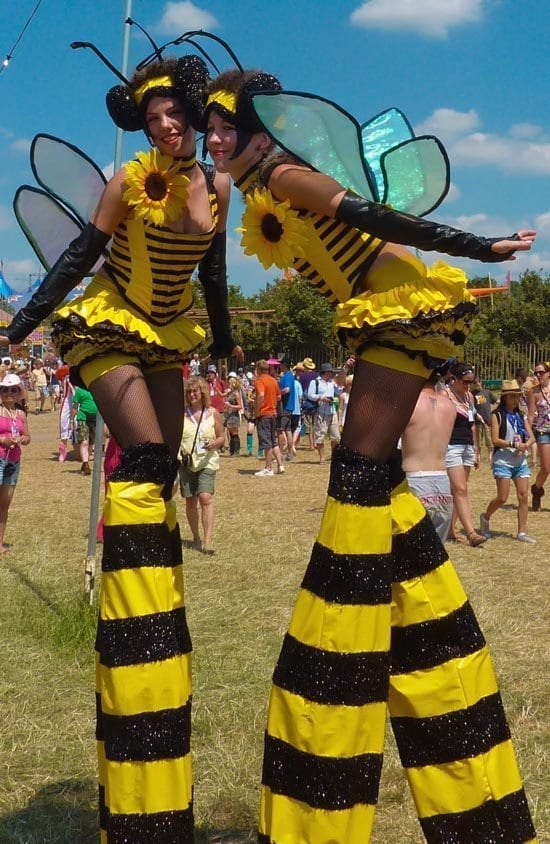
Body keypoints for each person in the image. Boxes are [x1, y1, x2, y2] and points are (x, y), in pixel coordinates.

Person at [205, 68, 536, 842]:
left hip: (394, 306)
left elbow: (379, 216)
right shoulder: (255, 188)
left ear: (262, 133)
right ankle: (421, 633)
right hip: (378, 316)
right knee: (374, 483)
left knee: (357, 477)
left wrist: (481, 247)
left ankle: (351, 646)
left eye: (224, 126)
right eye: (207, 126)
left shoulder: (286, 173)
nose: (211, 139)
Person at [1, 49, 242, 840]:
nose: (166, 125)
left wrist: (228, 341)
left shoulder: (217, 186)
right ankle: (127, 610)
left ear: (194, 114)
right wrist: (24, 324)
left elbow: (214, 270)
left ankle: (157, 596)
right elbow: (76, 257)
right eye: (152, 118)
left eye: (174, 114)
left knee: (165, 469)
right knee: (140, 456)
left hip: (169, 329)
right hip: (110, 320)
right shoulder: (126, 181)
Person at [401, 371, 456, 543]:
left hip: (414, 480)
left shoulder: (408, 404)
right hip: (442, 482)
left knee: (408, 554)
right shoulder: (449, 406)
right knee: (436, 556)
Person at [479, 380, 536, 543]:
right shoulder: (496, 415)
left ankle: (522, 532)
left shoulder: (521, 415)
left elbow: (531, 436)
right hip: (503, 460)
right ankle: (485, 517)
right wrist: (513, 444)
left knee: (524, 495)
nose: (515, 399)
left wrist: (526, 445)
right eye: (511, 396)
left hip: (519, 461)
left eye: (517, 396)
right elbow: (495, 439)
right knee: (502, 498)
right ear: (504, 398)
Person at [179, 376, 225, 554]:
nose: (192, 394)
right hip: (187, 462)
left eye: (195, 391)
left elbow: (222, 437)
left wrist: (214, 443)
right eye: (189, 392)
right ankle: (196, 538)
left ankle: (207, 541)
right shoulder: (181, 414)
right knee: (191, 500)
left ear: (202, 392)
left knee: (205, 497)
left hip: (207, 461)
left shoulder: (213, 413)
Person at [444, 362, 487, 546]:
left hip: (467, 446)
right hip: (451, 446)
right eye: (465, 381)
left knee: (458, 491)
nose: (468, 385)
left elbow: (472, 424)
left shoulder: (469, 397)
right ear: (454, 378)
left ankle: (451, 530)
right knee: (460, 490)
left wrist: (476, 450)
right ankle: (471, 533)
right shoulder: (445, 395)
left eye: (471, 381)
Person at [0, 374, 31, 553]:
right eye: (5, 389)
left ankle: (0, 544)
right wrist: (3, 439)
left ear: (19, 392)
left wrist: (23, 439)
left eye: (14, 389)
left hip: (13, 461)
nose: (9, 393)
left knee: (5, 503)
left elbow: (28, 436)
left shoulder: (20, 413)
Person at [254, 359, 284, 476]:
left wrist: (257, 409)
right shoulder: (273, 380)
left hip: (264, 414)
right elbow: (279, 397)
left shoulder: (260, 380)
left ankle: (268, 468)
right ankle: (280, 465)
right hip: (273, 413)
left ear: (259, 370)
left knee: (266, 442)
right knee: (273, 441)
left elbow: (261, 394)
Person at [528, 360, 550, 511]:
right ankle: (537, 489)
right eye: (536, 372)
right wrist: (527, 435)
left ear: (548, 373)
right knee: (546, 468)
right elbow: (530, 416)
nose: (538, 375)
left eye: (541, 372)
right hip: (543, 431)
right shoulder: (534, 392)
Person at [308, 362, 340, 463]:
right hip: (321, 412)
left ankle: (333, 456)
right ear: (325, 372)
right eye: (331, 372)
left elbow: (339, 390)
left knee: (336, 437)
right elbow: (310, 395)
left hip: (332, 411)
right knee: (320, 436)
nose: (332, 374)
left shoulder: (332, 383)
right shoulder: (315, 382)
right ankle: (322, 458)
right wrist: (321, 398)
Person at [71, 384, 98, 475]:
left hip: (95, 419)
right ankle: (85, 464)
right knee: (84, 441)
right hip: (83, 418)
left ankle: (85, 462)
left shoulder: (98, 388)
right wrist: (71, 420)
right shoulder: (80, 390)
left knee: (91, 442)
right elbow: (75, 407)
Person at [471, 374, 497, 463]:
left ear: (480, 382)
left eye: (476, 382)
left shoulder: (487, 392)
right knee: (478, 440)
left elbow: (496, 401)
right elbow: (471, 408)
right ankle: (478, 455)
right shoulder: (472, 394)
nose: (475, 385)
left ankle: (490, 456)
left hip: (487, 420)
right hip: (477, 421)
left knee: (489, 439)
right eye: (473, 383)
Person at [277, 360, 296, 458]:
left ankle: (279, 453)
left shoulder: (287, 376)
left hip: (285, 407)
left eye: (281, 364)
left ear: (284, 365)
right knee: (288, 430)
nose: (279, 366)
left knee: (280, 429)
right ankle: (290, 453)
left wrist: (278, 393)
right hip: (289, 406)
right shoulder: (289, 376)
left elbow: (287, 389)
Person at [223, 374, 243, 455]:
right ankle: (232, 450)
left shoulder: (236, 393)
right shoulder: (231, 392)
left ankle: (236, 451)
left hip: (234, 415)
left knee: (235, 433)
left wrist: (231, 405)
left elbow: (240, 406)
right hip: (229, 414)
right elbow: (222, 395)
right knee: (231, 433)